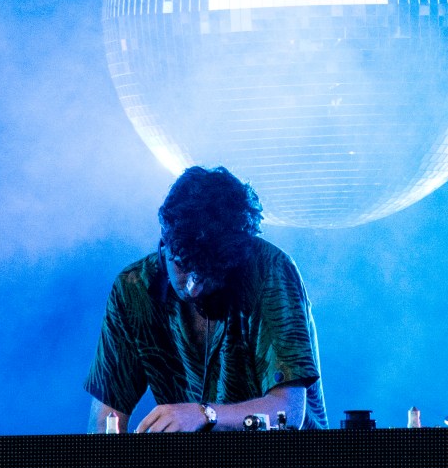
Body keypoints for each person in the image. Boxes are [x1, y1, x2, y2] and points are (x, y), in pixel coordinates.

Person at [85, 166, 328, 432]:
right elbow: (104, 419)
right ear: (164, 242)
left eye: (208, 272)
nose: (193, 288)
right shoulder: (131, 289)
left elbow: (289, 410)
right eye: (182, 265)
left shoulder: (271, 270)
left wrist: (205, 414)